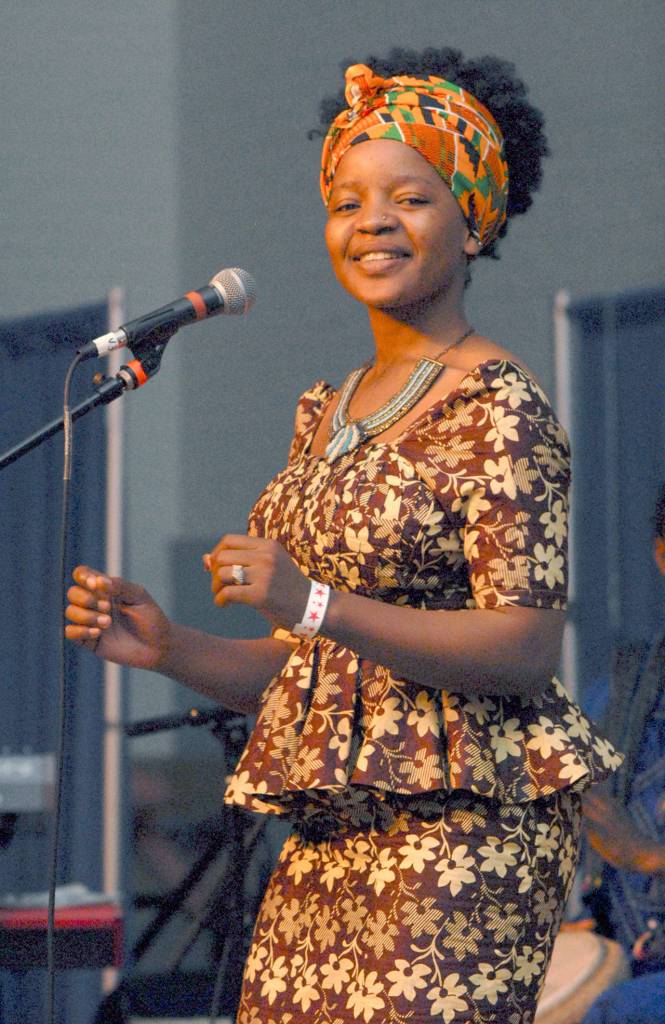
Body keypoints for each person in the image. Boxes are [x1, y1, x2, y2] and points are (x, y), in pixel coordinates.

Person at [65, 47, 623, 1024]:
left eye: (408, 198)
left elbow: (524, 647)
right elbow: (316, 674)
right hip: (331, 835)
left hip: (462, 838)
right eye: (347, 201)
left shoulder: (499, 405)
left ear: (471, 218)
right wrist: (171, 648)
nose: (371, 222)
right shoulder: (325, 409)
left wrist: (313, 599)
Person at [579, 482, 665, 1023]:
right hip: (635, 957)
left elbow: (632, 850)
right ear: (662, 556)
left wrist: (648, 856)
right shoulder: (619, 694)